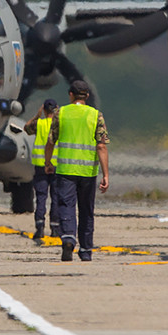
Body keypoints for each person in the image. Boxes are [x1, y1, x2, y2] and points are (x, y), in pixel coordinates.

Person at [43, 80, 109, 262]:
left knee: (66, 206)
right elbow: (101, 146)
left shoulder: (60, 113)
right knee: (87, 210)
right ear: (87, 96)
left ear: (70, 95)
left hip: (65, 170)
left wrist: (48, 163)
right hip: (88, 172)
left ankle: (68, 238)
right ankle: (86, 250)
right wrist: (106, 174)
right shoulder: (96, 115)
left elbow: (50, 142)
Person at [24, 98, 60, 242]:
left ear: (44, 110)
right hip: (57, 165)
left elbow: (26, 128)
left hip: (40, 166)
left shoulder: (39, 124)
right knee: (56, 197)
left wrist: (37, 115)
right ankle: (55, 228)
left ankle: (39, 227)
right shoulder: (60, 125)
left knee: (41, 197)